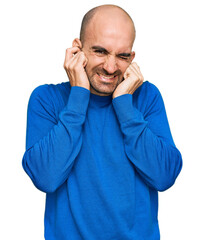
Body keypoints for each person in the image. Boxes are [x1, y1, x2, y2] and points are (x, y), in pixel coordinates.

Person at [22, 4, 182, 240]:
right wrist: (78, 96)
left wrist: (124, 104)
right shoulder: (46, 99)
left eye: (122, 56)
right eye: (100, 51)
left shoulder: (147, 97)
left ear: (132, 58)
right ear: (78, 49)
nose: (110, 67)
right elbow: (46, 178)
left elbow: (164, 176)